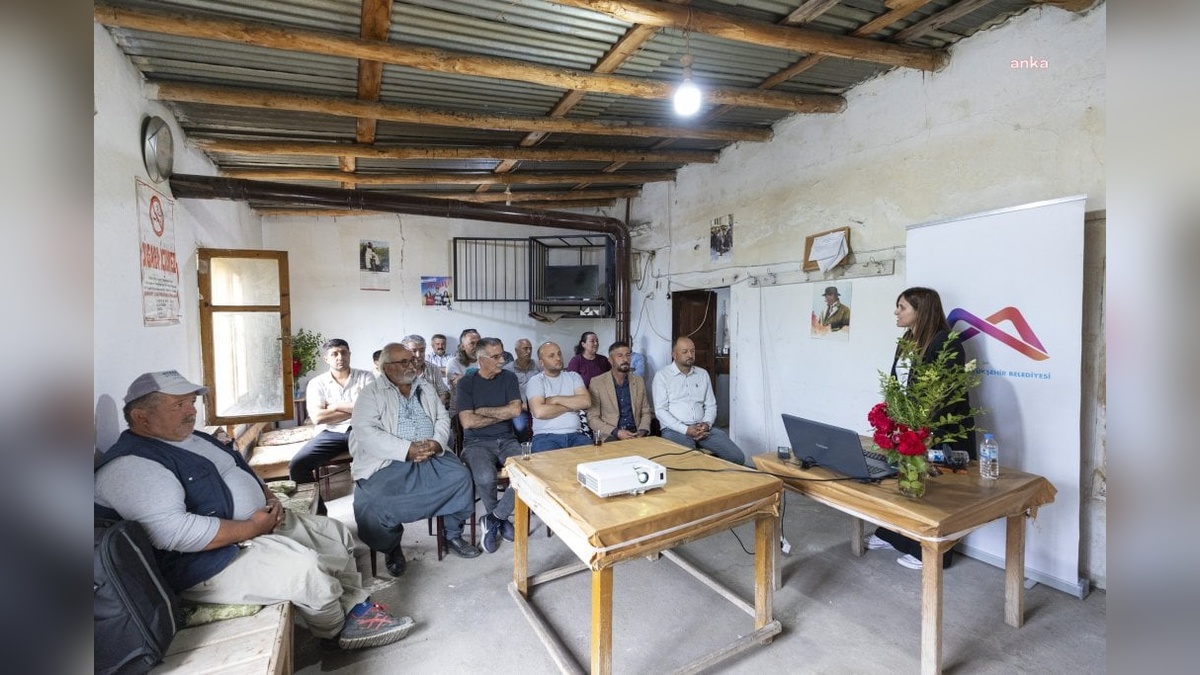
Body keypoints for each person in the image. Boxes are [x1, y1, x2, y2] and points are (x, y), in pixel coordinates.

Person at [95, 371, 413, 651]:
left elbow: (239, 468)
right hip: (208, 560)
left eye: (191, 402)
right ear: (141, 417)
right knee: (305, 569)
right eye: (178, 405)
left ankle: (354, 605)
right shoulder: (131, 466)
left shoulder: (191, 437)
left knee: (334, 534)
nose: (191, 411)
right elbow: (176, 534)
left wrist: (268, 497)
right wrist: (253, 528)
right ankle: (336, 630)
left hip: (256, 525)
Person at [866, 286, 978, 571]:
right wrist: (894, 418)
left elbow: (944, 393)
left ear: (921, 310)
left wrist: (923, 429)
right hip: (909, 426)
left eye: (902, 306)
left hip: (939, 429)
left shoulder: (946, 342)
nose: (896, 312)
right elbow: (898, 383)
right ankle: (894, 534)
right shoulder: (906, 341)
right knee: (905, 483)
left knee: (938, 492)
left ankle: (935, 553)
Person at [350, 343, 481, 576]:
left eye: (412, 360)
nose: (413, 365)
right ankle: (392, 547)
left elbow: (442, 418)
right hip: (389, 460)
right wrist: (406, 449)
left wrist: (437, 443)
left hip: (430, 454)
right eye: (405, 362)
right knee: (373, 501)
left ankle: (451, 534)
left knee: (460, 478)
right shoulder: (370, 394)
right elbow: (366, 432)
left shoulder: (425, 387)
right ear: (387, 367)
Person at [456, 338, 523, 554]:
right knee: (485, 478)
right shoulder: (466, 383)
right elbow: (468, 422)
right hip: (476, 443)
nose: (502, 360)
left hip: (507, 439)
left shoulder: (509, 378)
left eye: (502, 354)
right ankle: (500, 520)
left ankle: (494, 518)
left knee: (527, 473)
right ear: (481, 360)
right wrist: (501, 413)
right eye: (496, 357)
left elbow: (515, 411)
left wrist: (482, 410)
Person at [290, 339, 374, 483]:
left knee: (377, 460)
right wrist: (357, 408)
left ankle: (369, 494)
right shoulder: (317, 383)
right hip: (330, 433)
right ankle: (316, 498)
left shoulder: (366, 377)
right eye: (334, 354)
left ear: (349, 354)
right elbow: (317, 417)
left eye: (344, 353)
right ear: (326, 359)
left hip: (362, 429)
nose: (340, 357)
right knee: (297, 465)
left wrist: (334, 406)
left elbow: (372, 407)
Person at [652, 337, 746, 465]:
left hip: (702, 429)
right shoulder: (662, 376)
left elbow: (711, 405)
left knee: (737, 457)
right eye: (685, 351)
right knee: (691, 460)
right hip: (675, 430)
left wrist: (706, 424)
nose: (690, 355)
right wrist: (686, 430)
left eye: (692, 351)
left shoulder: (702, 374)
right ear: (674, 354)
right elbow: (660, 411)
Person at [526, 342, 592, 451]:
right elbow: (539, 412)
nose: (558, 358)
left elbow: (586, 402)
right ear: (541, 362)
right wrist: (571, 406)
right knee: (551, 461)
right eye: (551, 356)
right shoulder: (536, 381)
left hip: (576, 435)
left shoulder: (573, 377)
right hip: (545, 437)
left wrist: (555, 399)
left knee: (594, 457)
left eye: (559, 354)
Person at [588, 341, 653, 440]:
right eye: (620, 356)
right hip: (611, 434)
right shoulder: (597, 383)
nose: (625, 359)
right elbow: (592, 418)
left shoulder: (638, 381)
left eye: (628, 355)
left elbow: (645, 412)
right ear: (610, 360)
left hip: (636, 433)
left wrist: (642, 430)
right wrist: (616, 432)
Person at [400, 334, 452, 409]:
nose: (418, 355)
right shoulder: (398, 371)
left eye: (422, 350)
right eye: (413, 351)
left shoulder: (433, 369)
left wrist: (435, 408)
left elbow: (443, 393)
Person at [504, 338, 541, 442]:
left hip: (539, 405)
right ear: (516, 351)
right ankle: (524, 448)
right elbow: (505, 394)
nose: (528, 351)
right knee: (521, 427)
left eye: (530, 348)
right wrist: (520, 405)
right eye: (525, 348)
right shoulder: (508, 370)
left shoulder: (538, 365)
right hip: (519, 408)